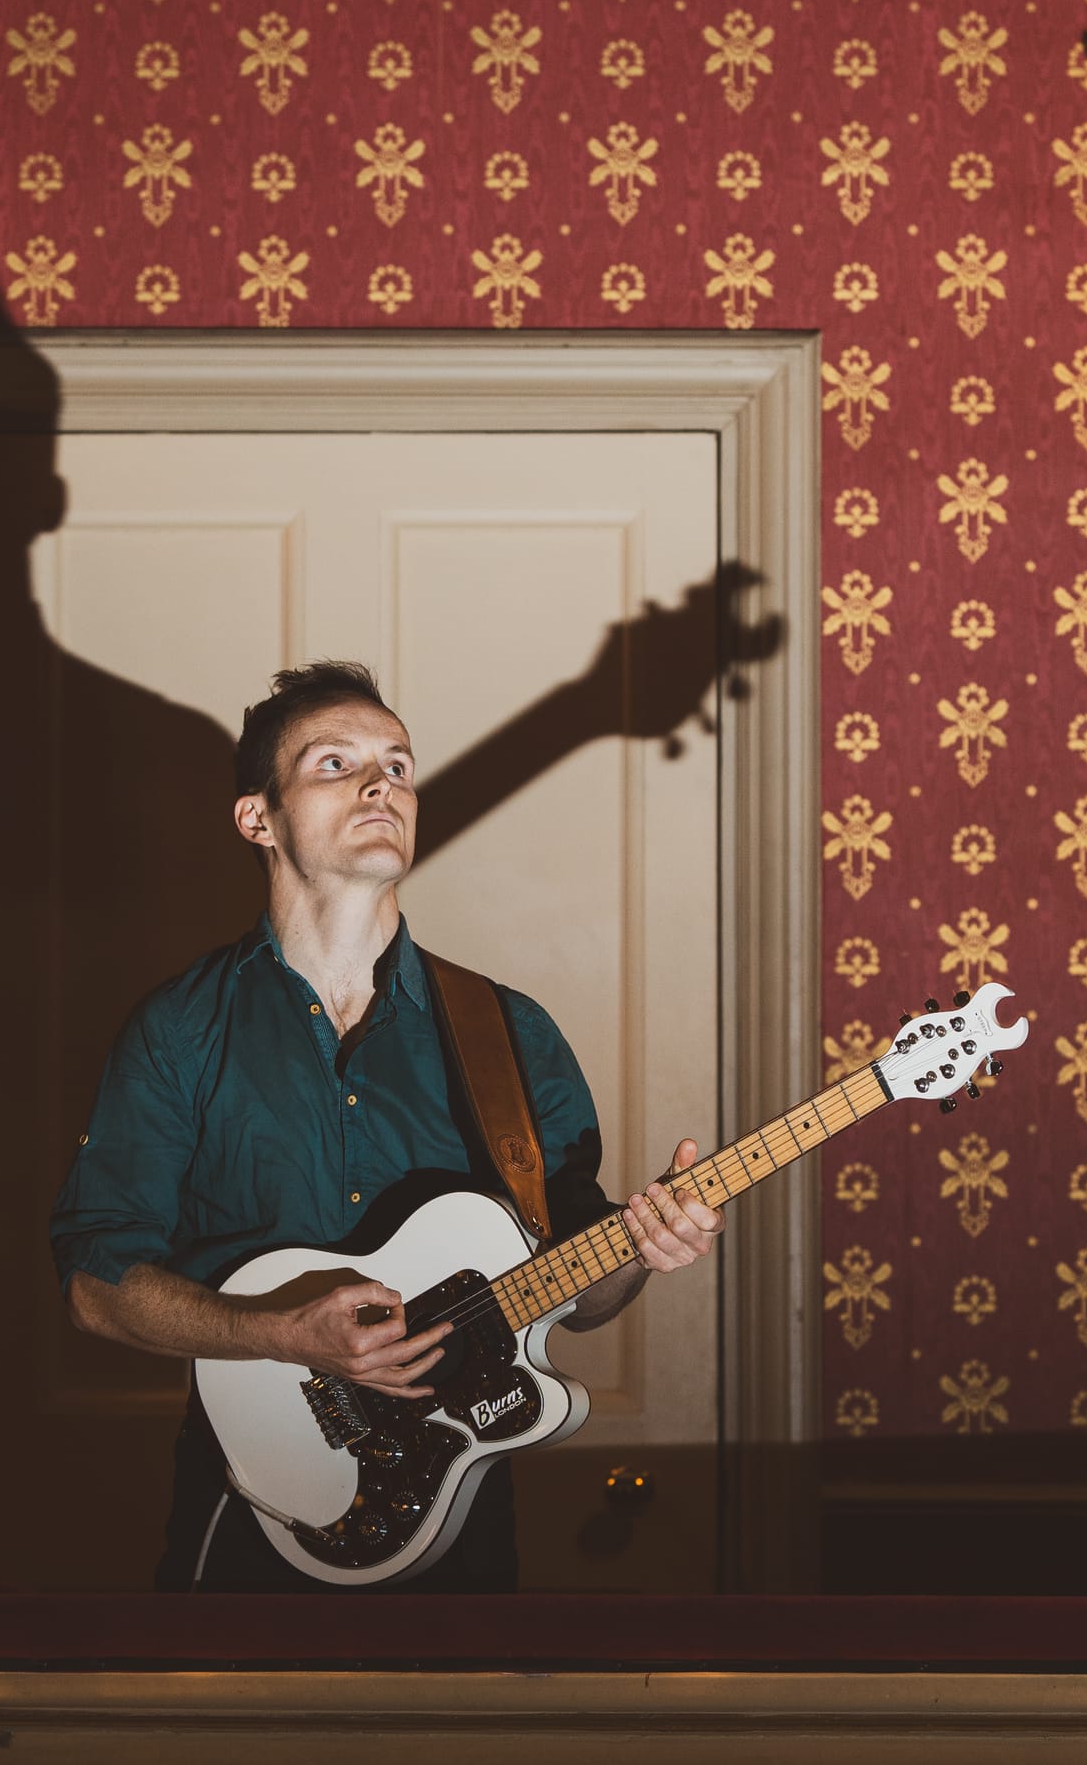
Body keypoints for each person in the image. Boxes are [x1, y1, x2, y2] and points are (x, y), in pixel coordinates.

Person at [52, 660, 725, 1589]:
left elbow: (575, 1289)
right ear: (259, 818)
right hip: (251, 1497)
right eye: (336, 763)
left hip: (463, 1509)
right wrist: (280, 1335)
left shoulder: (510, 1033)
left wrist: (640, 1250)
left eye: (398, 766)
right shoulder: (178, 1030)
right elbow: (96, 1284)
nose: (381, 784)